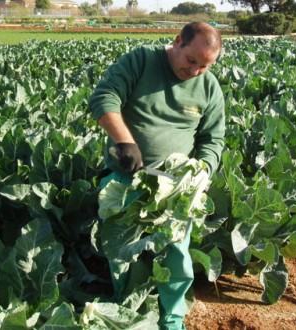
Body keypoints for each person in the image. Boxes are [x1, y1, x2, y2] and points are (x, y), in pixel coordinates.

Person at [89, 22, 225, 330]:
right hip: (128, 181)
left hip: (176, 190)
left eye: (204, 66)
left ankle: (172, 321)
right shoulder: (141, 61)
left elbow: (213, 140)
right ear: (177, 41)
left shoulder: (208, 86)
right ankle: (126, 313)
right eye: (191, 61)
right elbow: (104, 97)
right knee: (121, 253)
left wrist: (201, 172)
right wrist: (124, 142)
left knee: (177, 260)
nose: (194, 71)